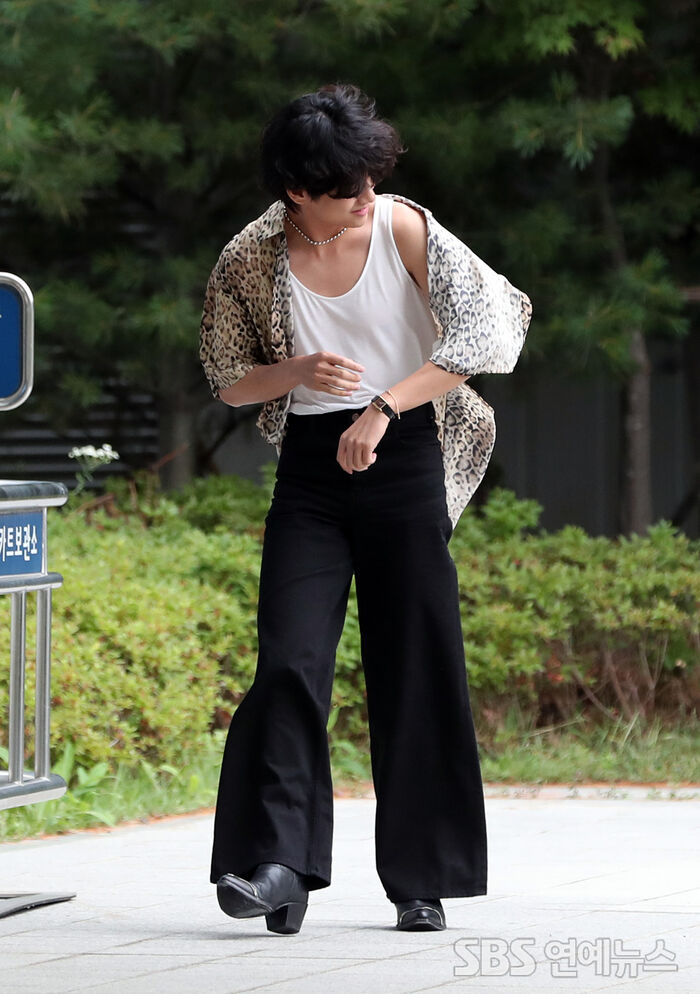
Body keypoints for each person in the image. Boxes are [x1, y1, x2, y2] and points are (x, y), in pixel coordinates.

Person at [199, 83, 532, 935]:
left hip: (407, 456)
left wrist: (384, 407)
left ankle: (420, 879)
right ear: (296, 190)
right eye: (347, 187)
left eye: (371, 178)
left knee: (414, 662)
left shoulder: (404, 228)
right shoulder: (250, 259)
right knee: (288, 660)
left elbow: (486, 334)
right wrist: (300, 372)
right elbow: (230, 375)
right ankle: (280, 865)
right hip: (311, 477)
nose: (366, 197)